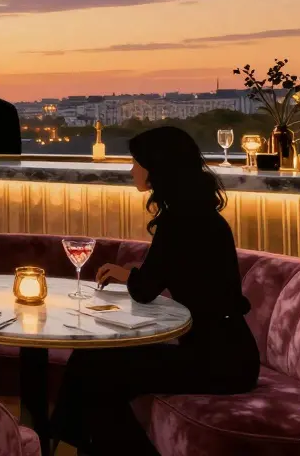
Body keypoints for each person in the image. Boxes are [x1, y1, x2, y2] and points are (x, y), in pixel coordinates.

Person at [51, 126, 259, 455]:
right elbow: (161, 278)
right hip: (229, 351)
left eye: (137, 162)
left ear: (156, 168)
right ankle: (64, 445)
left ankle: (61, 443)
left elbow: (145, 290)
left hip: (218, 361)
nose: (132, 169)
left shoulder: (177, 222)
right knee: (90, 362)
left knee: (96, 373)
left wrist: (129, 276)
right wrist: (128, 274)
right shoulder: (200, 216)